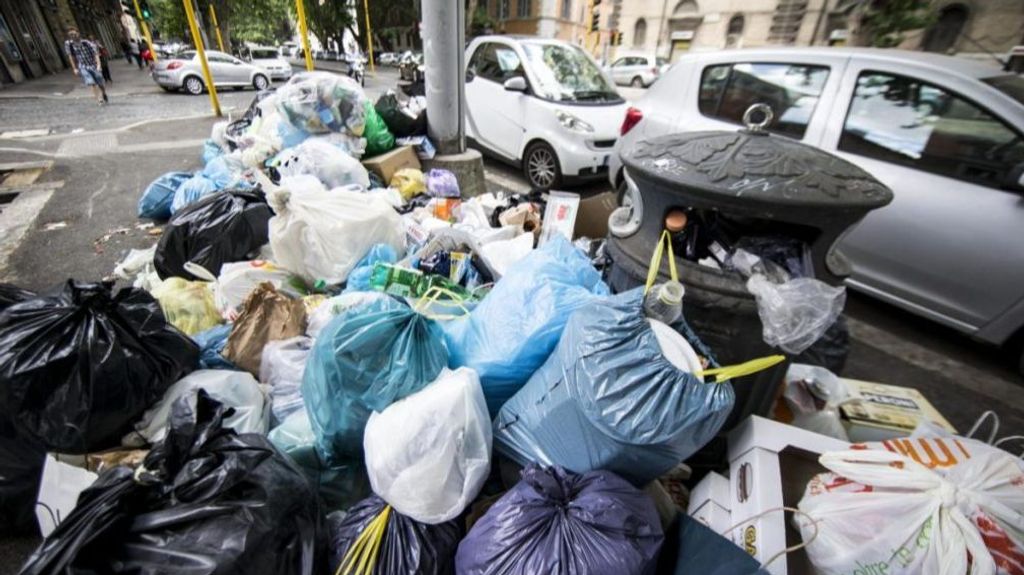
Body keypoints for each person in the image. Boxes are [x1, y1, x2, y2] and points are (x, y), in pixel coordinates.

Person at [63, 27, 107, 105]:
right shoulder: (69, 44)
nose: (73, 36)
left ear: (78, 33)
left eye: (74, 34)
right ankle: (99, 99)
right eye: (71, 35)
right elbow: (71, 56)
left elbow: (95, 54)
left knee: (100, 82)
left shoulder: (86, 43)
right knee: (91, 83)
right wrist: (75, 68)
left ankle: (103, 93)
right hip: (83, 66)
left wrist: (99, 65)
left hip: (93, 65)